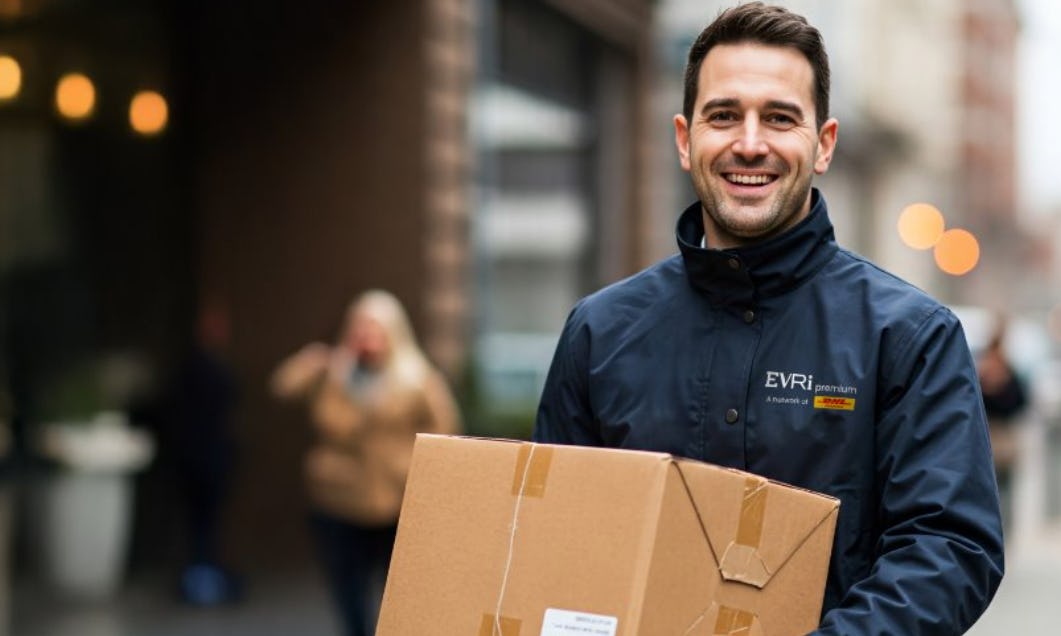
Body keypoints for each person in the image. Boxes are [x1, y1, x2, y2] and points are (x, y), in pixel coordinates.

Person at [533, 3, 1003, 634]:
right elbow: (554, 541)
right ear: (683, 138)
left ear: (823, 143)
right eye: (723, 115)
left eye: (779, 118)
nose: (749, 143)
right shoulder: (600, 332)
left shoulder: (909, 338)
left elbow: (950, 548)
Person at [271, 289, 460, 636]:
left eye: (376, 328)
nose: (368, 337)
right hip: (339, 497)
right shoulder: (334, 373)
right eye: (361, 327)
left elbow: (445, 428)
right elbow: (283, 387)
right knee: (348, 588)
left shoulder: (415, 376)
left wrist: (414, 466)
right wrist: (316, 361)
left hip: (396, 497)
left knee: (400, 588)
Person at [977, 314, 1028, 533]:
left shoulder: (1010, 371)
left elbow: (1019, 402)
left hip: (1001, 440)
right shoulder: (981, 370)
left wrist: (1001, 387)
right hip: (986, 437)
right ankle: (995, 529)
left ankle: (1003, 530)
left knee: (1004, 490)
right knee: (992, 490)